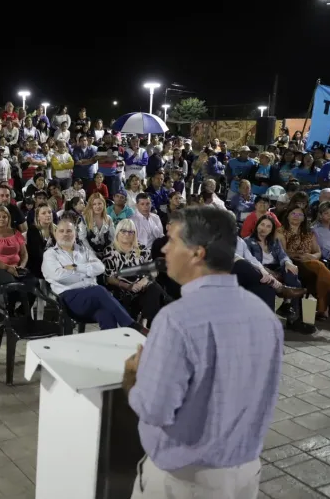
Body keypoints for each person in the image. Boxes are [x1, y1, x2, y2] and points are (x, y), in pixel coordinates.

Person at [123, 206, 283, 499]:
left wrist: (134, 376)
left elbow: (154, 409)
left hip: (185, 479)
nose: (165, 250)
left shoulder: (177, 320)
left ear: (197, 253)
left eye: (172, 241)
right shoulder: (264, 315)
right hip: (244, 470)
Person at [42, 215, 142, 332]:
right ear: (55, 233)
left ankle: (114, 346)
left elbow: (100, 267)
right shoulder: (50, 254)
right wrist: (88, 273)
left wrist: (75, 267)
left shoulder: (84, 251)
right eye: (61, 231)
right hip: (70, 299)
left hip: (92, 298)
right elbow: (59, 276)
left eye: (69, 231)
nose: (65, 234)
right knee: (99, 290)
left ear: (75, 233)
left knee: (106, 314)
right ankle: (131, 325)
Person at [278, 205, 330, 319]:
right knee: (320, 267)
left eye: (300, 214)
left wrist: (312, 256)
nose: (296, 217)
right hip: (292, 263)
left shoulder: (309, 232)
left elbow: (318, 252)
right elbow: (282, 252)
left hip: (310, 263)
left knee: (319, 269)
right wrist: (300, 255)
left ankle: (324, 308)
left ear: (304, 218)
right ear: (287, 216)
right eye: (293, 214)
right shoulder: (281, 231)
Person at [102, 219, 168, 327]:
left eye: (131, 232)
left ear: (134, 233)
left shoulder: (141, 249)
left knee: (153, 288)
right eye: (123, 231)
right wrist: (128, 286)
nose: (127, 234)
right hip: (123, 291)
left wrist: (143, 281)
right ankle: (148, 323)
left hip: (143, 289)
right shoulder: (110, 251)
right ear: (118, 232)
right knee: (159, 295)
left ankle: (145, 322)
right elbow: (108, 277)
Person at [0, 206, 39, 318]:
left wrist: (21, 265)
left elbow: (24, 253)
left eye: (4, 216)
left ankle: (21, 312)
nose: (1, 219)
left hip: (16, 268)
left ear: (9, 218)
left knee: (34, 282)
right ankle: (10, 312)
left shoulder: (15, 232)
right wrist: (7, 267)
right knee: (12, 283)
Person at [26, 205, 56, 279]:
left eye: (49, 212)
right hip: (39, 265)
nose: (48, 215)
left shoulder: (56, 229)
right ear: (38, 217)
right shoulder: (33, 230)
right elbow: (37, 254)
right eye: (44, 213)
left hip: (55, 262)